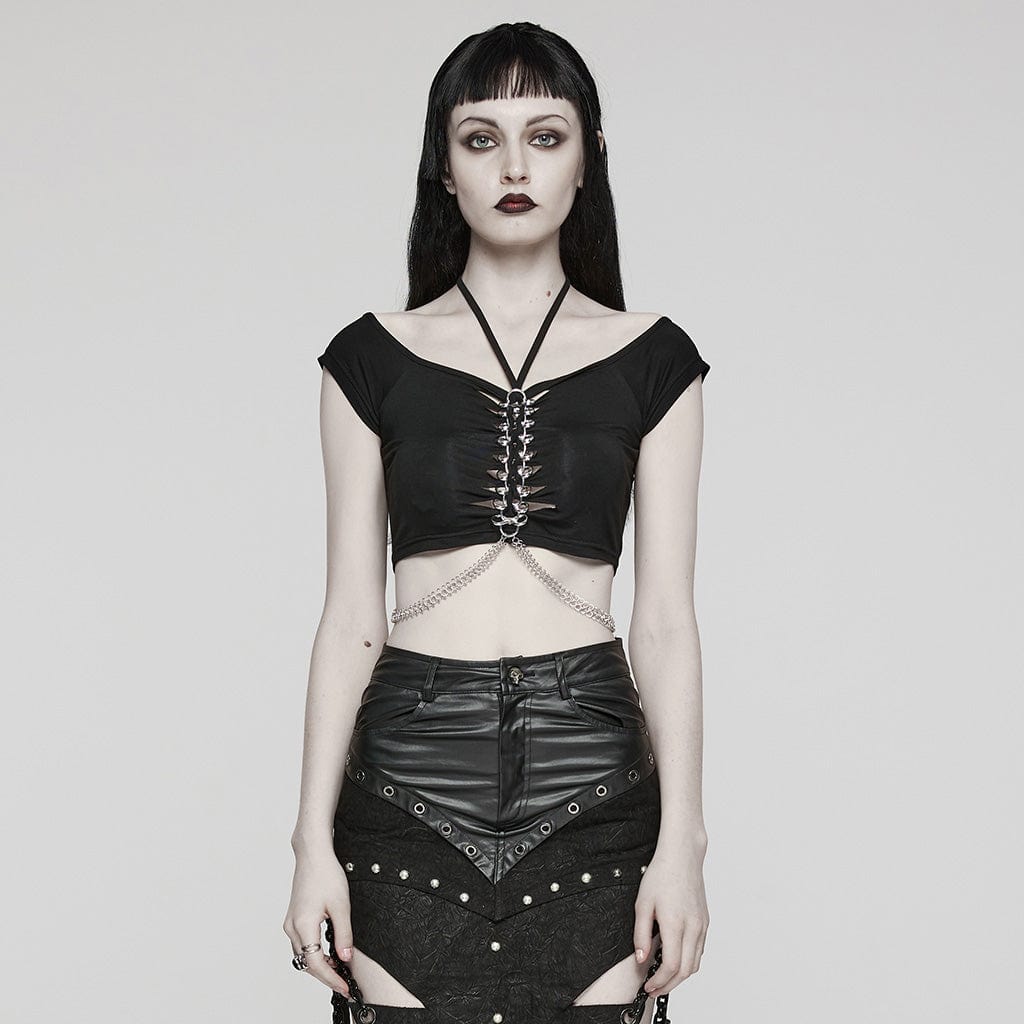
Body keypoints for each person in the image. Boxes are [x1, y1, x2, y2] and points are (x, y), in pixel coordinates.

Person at [284, 21, 711, 1024]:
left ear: (587, 160)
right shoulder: (367, 358)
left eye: (545, 137)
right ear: (444, 166)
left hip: (594, 782)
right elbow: (350, 616)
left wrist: (683, 844)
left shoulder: (656, 358)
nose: (514, 167)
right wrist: (309, 844)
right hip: (405, 781)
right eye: (481, 139)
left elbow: (663, 622)